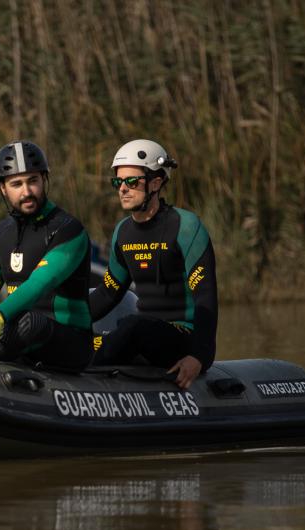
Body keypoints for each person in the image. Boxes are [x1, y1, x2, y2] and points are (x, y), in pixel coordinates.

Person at [0, 140, 93, 371]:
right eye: (16, 184)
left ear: (44, 180)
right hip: (17, 331)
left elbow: (40, 284)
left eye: (32, 181)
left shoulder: (67, 230)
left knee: (30, 321)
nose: (27, 192)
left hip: (67, 341)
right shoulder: (1, 234)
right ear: (3, 188)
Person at [89, 139, 218, 389]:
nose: (123, 189)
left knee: (133, 326)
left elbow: (205, 298)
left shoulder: (186, 227)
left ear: (156, 183)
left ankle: (86, 369)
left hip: (184, 339)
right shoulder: (122, 232)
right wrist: (65, 318)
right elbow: (107, 294)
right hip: (141, 335)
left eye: (131, 181)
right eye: (118, 182)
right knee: (91, 332)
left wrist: (198, 356)